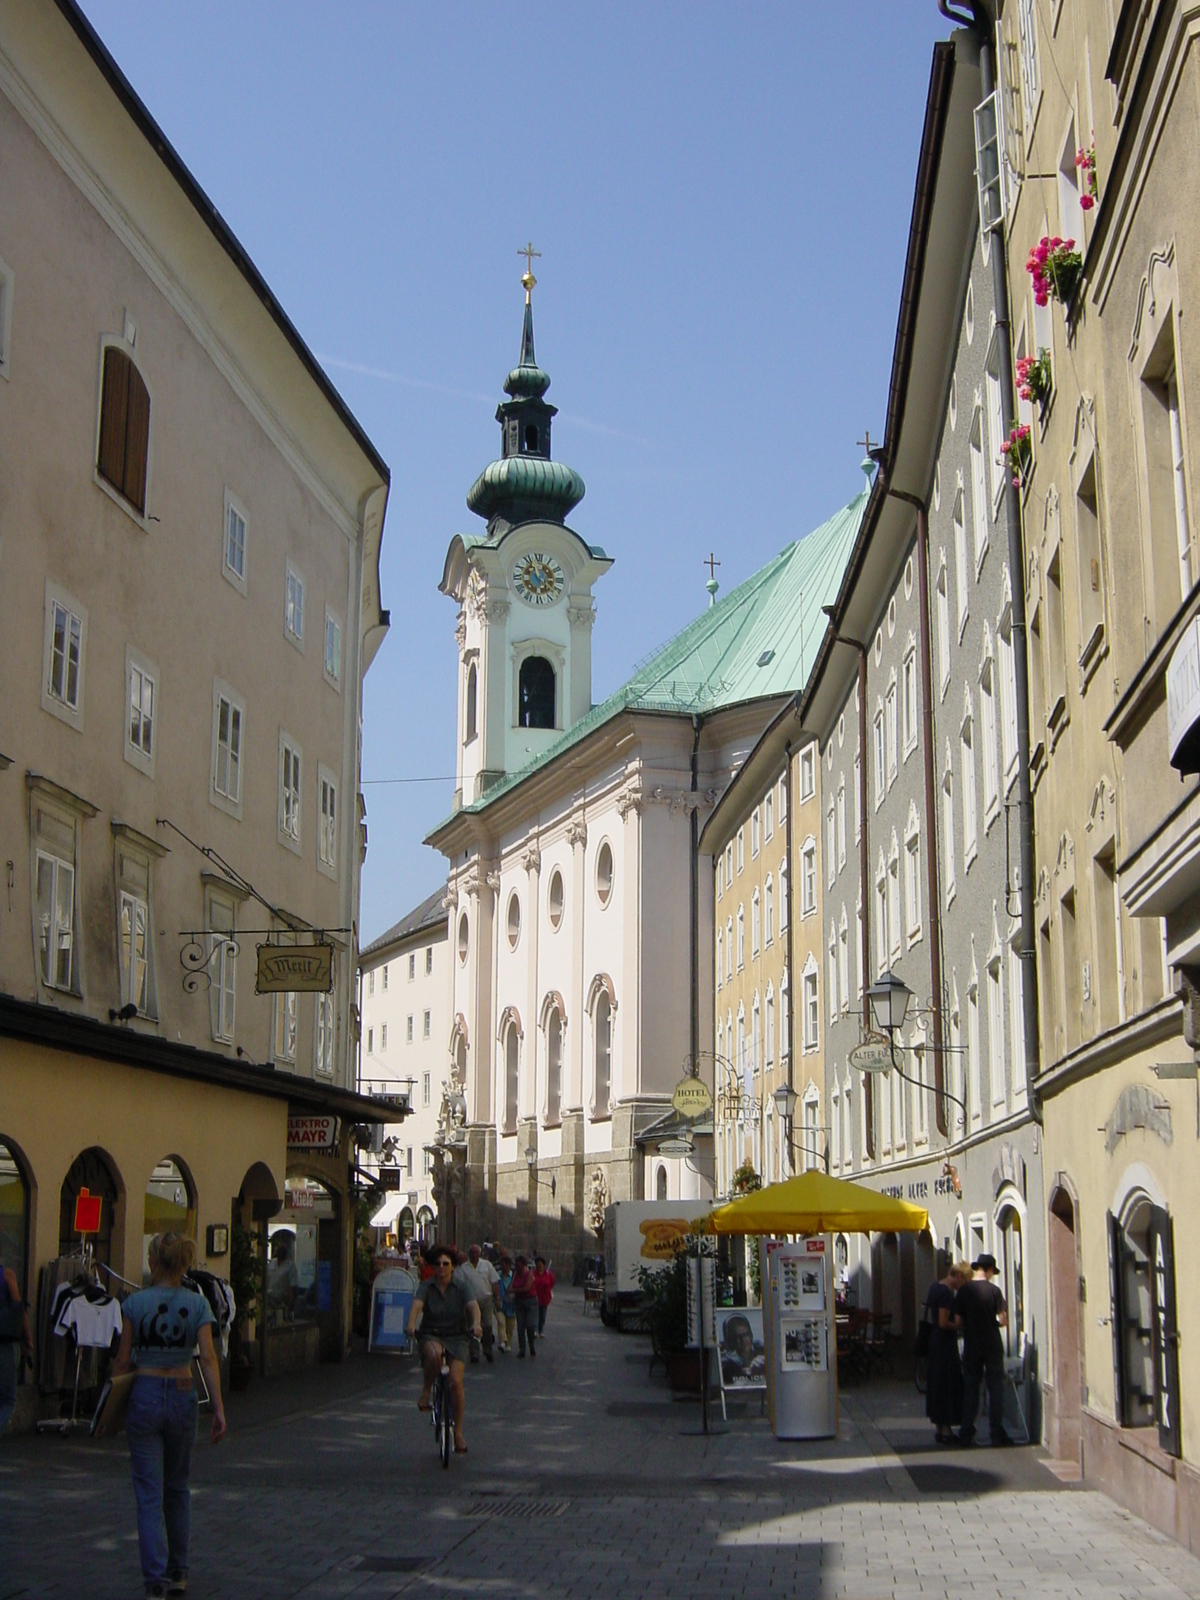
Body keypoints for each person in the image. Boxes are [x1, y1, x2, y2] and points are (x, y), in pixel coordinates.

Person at [112, 1231, 226, 1600]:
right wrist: (218, 1408)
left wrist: (111, 1400)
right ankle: (179, 1571)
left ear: (153, 1262)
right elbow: (207, 1358)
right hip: (182, 1395)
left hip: (144, 1393)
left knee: (148, 1493)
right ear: (183, 1263)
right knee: (177, 1488)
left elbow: (123, 1359)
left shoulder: (134, 1303)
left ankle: (155, 1580)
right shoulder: (197, 1304)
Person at [406, 1244, 481, 1454]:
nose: (441, 1267)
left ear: (453, 1266)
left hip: (457, 1336)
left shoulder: (462, 1286)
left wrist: (476, 1323)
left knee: (456, 1382)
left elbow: (473, 1306)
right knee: (435, 1354)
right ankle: (427, 1391)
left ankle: (458, 1434)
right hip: (431, 1333)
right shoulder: (427, 1286)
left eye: (446, 1263)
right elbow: (417, 1306)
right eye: (437, 1263)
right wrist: (411, 1323)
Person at [955, 1254, 1012, 1447]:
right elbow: (1003, 1320)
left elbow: (958, 1321)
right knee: (995, 1388)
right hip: (992, 1344)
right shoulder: (994, 1291)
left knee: (970, 1388)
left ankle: (966, 1433)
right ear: (988, 1270)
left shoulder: (964, 1291)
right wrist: (992, 1322)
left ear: (977, 1268)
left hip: (972, 1344)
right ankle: (997, 1433)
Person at [923, 1259, 967, 1444]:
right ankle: (947, 1429)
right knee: (947, 1383)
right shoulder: (946, 1293)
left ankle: (940, 1428)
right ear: (958, 1276)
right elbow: (943, 1322)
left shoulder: (935, 1287)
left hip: (934, 1342)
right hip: (944, 1343)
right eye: (963, 1282)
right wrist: (957, 1324)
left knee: (937, 1384)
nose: (962, 1287)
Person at [0, 1258, 34, 1436]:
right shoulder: (7, 1275)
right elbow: (19, 1311)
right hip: (4, 1343)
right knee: (8, 1399)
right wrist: (28, 1339)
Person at [453, 1246, 497, 1363]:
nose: (474, 1254)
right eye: (471, 1252)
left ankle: (488, 1350)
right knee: (472, 1327)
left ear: (480, 1253)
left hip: (486, 1299)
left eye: (476, 1252)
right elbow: (458, 1285)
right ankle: (474, 1353)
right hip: (471, 1301)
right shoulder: (463, 1268)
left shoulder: (487, 1265)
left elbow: (494, 1281)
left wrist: (497, 1298)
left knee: (487, 1326)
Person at [510, 1254, 539, 1358]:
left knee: (530, 1325)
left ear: (524, 1265)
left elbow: (527, 1288)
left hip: (530, 1301)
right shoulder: (515, 1275)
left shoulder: (529, 1274)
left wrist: (514, 1291)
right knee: (520, 1326)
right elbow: (510, 1286)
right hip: (519, 1302)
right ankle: (522, 1349)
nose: (516, 1267)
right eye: (515, 1265)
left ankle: (531, 1346)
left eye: (518, 1265)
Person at [497, 1257, 517, 1354]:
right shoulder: (497, 1276)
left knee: (510, 1327)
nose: (502, 1267)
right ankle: (503, 1342)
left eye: (504, 1265)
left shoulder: (514, 1276)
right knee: (501, 1323)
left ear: (508, 1265)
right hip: (500, 1303)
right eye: (501, 1265)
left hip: (511, 1305)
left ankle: (507, 1343)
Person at [532, 1256, 555, 1337]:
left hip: (545, 1298)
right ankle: (535, 1330)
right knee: (536, 1314)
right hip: (535, 1297)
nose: (539, 1266)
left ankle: (541, 1330)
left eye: (540, 1264)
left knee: (543, 1316)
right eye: (537, 1264)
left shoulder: (548, 1274)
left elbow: (552, 1282)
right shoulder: (533, 1274)